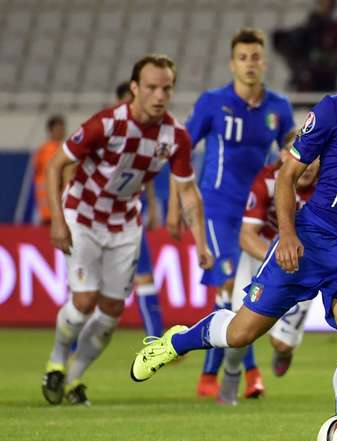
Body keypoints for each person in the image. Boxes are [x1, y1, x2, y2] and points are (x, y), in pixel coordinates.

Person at [131, 27, 337, 441]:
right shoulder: (335, 110)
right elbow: (287, 174)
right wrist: (286, 234)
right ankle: (173, 342)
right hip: (312, 239)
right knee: (243, 333)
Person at [41, 54, 213, 405]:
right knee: (84, 300)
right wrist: (58, 220)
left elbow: (187, 192)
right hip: (83, 216)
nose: (159, 95)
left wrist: (201, 243)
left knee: (113, 310)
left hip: (125, 224)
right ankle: (56, 362)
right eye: (151, 87)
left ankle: (73, 381)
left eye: (166, 88)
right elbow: (56, 165)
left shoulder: (176, 136)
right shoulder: (106, 124)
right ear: (135, 88)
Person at [178, 28, 297, 399]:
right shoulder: (212, 102)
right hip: (217, 207)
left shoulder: (278, 107)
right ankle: (230, 375)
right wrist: (174, 207)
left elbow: (292, 154)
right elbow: (181, 152)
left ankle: (222, 374)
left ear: (264, 62)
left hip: (256, 214)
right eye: (243, 58)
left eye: (256, 57)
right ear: (233, 64)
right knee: (229, 286)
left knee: (245, 294)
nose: (250, 64)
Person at [217, 158, 319, 405]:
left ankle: (285, 350)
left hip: (302, 268)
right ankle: (231, 375)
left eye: (316, 160)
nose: (310, 166)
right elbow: (246, 236)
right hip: (259, 260)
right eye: (307, 158)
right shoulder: (267, 180)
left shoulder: (328, 185)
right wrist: (277, 260)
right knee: (239, 332)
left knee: (281, 344)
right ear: (288, 156)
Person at [114, 80, 166, 338]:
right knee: (93, 291)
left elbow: (147, 175)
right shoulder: (104, 134)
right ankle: (74, 346)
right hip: (98, 222)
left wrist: (154, 207)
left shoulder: (146, 137)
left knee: (145, 278)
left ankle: (155, 341)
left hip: (131, 220)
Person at [272, 0, 337, 92]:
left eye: (329, 4)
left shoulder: (335, 27)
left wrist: (324, 59)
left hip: (327, 79)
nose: (326, 6)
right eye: (323, 3)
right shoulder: (310, 25)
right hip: (308, 79)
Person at [32, 115, 66, 225]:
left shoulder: (61, 148)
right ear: (50, 130)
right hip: (50, 200)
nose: (61, 132)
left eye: (62, 129)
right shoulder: (46, 150)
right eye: (58, 129)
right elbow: (53, 172)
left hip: (58, 199)